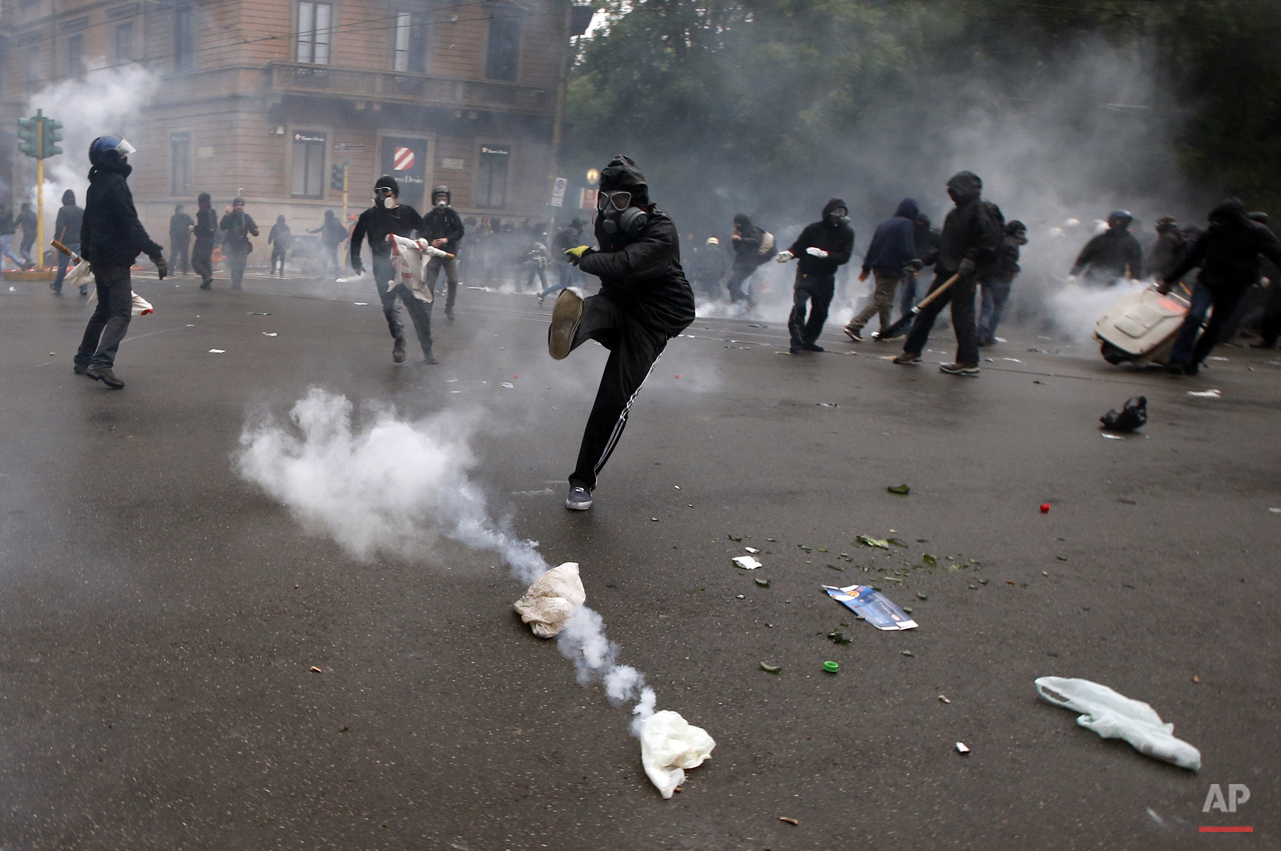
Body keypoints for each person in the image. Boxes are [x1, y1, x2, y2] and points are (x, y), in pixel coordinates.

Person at [549, 155, 694, 511]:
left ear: (639, 203)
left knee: (613, 397)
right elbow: (610, 272)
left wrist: (586, 257)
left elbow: (625, 264)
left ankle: (582, 481)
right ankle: (571, 331)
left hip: (653, 322)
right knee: (592, 307)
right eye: (605, 200)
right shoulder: (605, 226)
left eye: (621, 201)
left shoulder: (661, 230)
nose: (611, 210)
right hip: (619, 304)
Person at [74, 135, 167, 389]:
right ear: (111, 157)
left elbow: (87, 225)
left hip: (101, 257)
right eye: (121, 153)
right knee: (121, 312)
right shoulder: (115, 183)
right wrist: (155, 253)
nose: (125, 157)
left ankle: (83, 358)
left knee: (103, 310)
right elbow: (130, 222)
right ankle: (102, 363)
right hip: (115, 259)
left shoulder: (96, 184)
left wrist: (88, 254)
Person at [894, 171, 1003, 376]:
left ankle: (968, 361)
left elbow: (990, 242)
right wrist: (923, 261)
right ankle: (912, 351)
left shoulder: (980, 211)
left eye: (955, 189)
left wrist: (971, 259)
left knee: (962, 317)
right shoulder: (955, 214)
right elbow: (946, 245)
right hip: (946, 271)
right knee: (926, 311)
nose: (952, 194)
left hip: (963, 275)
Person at [1159, 198, 1281, 375]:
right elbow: (1192, 259)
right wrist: (1168, 280)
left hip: (1235, 287)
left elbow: (1277, 254)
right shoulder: (1213, 233)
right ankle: (1178, 359)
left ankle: (1195, 360)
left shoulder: (1257, 233)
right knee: (1195, 316)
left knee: (1216, 326)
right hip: (1208, 281)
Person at [350, 175, 437, 364]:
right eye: (377, 192)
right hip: (382, 268)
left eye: (385, 191)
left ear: (394, 193)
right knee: (389, 309)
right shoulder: (369, 216)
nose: (381, 195)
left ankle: (427, 348)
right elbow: (356, 238)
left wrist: (422, 241)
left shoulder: (406, 212)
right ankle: (399, 341)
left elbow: (425, 229)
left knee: (417, 308)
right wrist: (355, 260)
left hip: (406, 267)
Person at [777, 199, 855, 353]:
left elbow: (844, 257)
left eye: (842, 213)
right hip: (807, 273)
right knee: (799, 306)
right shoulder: (813, 229)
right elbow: (799, 247)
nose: (839, 216)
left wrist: (826, 255)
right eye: (836, 212)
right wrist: (790, 254)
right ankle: (797, 341)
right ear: (827, 213)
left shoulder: (847, 233)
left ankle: (808, 340)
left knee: (821, 311)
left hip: (826, 276)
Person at [845, 198, 918, 342]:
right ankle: (855, 324)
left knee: (886, 299)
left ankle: (885, 330)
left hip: (878, 266)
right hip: (892, 266)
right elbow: (906, 246)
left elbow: (873, 247)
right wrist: (913, 264)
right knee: (881, 299)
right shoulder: (906, 224)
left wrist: (866, 267)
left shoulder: (884, 224)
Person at [977, 220, 1027, 346]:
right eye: (1019, 233)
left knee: (986, 307)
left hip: (988, 277)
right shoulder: (1011, 244)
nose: (1021, 236)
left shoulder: (998, 239)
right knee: (998, 308)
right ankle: (989, 335)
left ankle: (981, 335)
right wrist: (1016, 269)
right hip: (1003, 279)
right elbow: (1008, 261)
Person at [420, 185, 465, 320]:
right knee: (430, 283)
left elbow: (460, 231)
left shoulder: (453, 215)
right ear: (434, 199)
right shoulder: (429, 217)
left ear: (448, 199)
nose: (441, 200)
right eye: (439, 197)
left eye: (444, 197)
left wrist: (446, 239)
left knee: (453, 281)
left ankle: (449, 308)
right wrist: (430, 241)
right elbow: (421, 231)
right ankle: (427, 309)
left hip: (449, 254)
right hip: (433, 254)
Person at [1070, 209, 1142, 285]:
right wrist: (1074, 274)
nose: (1121, 224)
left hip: (1114, 281)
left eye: (1125, 221)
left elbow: (1135, 262)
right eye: (1120, 221)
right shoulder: (1100, 239)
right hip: (1094, 278)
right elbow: (1084, 257)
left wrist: (1135, 278)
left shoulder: (1131, 242)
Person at [902, 213, 940, 316]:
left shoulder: (932, 235)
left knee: (920, 297)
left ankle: (919, 319)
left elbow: (941, 248)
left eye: (921, 223)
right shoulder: (910, 235)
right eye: (917, 223)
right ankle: (906, 323)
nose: (919, 225)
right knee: (908, 297)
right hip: (911, 269)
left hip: (925, 271)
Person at [725, 214, 768, 304]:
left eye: (738, 224)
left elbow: (755, 241)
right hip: (741, 264)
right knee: (734, 285)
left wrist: (741, 239)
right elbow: (738, 250)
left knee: (732, 284)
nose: (737, 227)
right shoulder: (742, 233)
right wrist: (735, 240)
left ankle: (748, 303)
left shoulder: (754, 230)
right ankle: (741, 304)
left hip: (748, 264)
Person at [219, 197, 258, 291]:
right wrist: (227, 215)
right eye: (237, 205)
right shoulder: (230, 216)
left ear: (243, 206)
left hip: (242, 244)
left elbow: (254, 229)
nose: (239, 207)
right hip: (231, 244)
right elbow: (222, 226)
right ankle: (235, 281)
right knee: (232, 263)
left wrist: (255, 230)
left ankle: (237, 282)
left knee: (241, 263)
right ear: (233, 206)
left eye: (240, 205)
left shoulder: (246, 217)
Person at [51, 189, 85, 296]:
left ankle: (57, 286)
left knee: (62, 266)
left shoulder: (63, 210)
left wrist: (56, 240)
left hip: (65, 243)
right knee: (79, 265)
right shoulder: (81, 211)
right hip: (78, 241)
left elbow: (59, 226)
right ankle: (83, 287)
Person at [308, 210, 347, 279]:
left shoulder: (331, 222)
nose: (325, 217)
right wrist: (311, 232)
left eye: (326, 215)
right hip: (331, 244)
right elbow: (322, 229)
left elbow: (324, 231)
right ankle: (336, 276)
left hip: (331, 245)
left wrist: (339, 239)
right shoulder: (334, 222)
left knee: (328, 260)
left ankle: (328, 276)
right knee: (332, 260)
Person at [191, 192, 217, 289]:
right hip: (210, 240)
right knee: (206, 261)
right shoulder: (212, 212)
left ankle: (206, 277)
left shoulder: (203, 212)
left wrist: (194, 229)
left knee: (195, 261)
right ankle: (207, 285)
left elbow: (202, 228)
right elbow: (215, 227)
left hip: (202, 240)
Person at [168, 203, 193, 275]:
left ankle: (184, 270)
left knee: (184, 255)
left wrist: (190, 230)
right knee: (174, 255)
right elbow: (172, 229)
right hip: (177, 239)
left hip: (184, 238)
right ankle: (171, 270)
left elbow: (192, 225)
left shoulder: (186, 217)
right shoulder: (174, 218)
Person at [0, 204, 24, 271]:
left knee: (6, 252)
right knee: (2, 251)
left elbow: (2, 219)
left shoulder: (4, 212)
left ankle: (20, 263)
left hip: (6, 233)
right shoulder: (5, 211)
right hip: (6, 234)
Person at [15, 202, 38, 267]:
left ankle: (30, 261)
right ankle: (29, 264)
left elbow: (16, 223)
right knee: (28, 249)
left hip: (27, 234)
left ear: (23, 208)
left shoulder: (22, 214)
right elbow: (36, 224)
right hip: (34, 234)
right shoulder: (34, 214)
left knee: (22, 250)